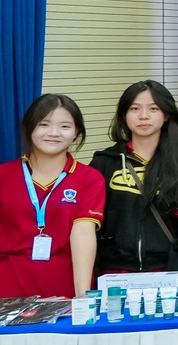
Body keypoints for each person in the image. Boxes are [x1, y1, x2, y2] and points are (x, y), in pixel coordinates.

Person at [91, 80, 178, 277]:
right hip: (114, 272)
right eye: (135, 108)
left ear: (166, 114)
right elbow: (92, 228)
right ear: (124, 114)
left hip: (170, 273)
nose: (143, 116)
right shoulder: (104, 163)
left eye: (153, 108)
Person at [1, 94, 103, 297]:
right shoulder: (4, 175)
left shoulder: (89, 178)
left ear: (76, 132)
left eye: (65, 126)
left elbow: (83, 234)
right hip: (7, 288)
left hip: (63, 288)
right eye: (44, 124)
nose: (54, 133)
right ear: (29, 127)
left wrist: (83, 297)